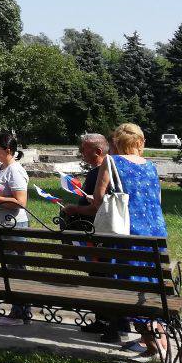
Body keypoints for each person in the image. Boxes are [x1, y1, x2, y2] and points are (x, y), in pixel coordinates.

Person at [111, 123, 170, 359]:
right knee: (151, 284)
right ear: (140, 142)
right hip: (155, 233)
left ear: (117, 143)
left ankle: (153, 338)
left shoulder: (112, 162)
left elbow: (98, 200)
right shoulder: (151, 167)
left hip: (129, 233)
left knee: (131, 285)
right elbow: (157, 200)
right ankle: (155, 337)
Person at [60, 133, 126, 343]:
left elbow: (96, 208)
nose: (82, 152)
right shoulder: (112, 171)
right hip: (113, 233)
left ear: (98, 152)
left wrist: (74, 209)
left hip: (99, 234)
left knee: (101, 277)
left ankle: (111, 322)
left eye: (85, 149)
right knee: (102, 277)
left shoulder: (100, 173)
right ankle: (107, 320)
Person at [0, 130, 31, 326]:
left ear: (9, 150)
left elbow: (21, 202)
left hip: (14, 225)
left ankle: (21, 313)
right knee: (9, 268)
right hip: (2, 224)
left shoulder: (15, 170)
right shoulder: (0, 168)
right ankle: (17, 310)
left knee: (16, 268)